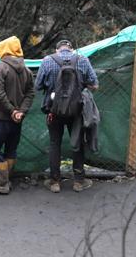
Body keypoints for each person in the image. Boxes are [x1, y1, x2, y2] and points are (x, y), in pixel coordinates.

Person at [35, 38, 99, 193]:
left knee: (54, 143)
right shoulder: (82, 60)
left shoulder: (47, 61)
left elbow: (37, 85)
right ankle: (78, 181)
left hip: (54, 110)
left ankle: (55, 182)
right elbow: (95, 85)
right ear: (71, 49)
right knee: (77, 142)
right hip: (76, 111)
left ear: (57, 50)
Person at [0, 36, 35, 195]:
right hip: (17, 120)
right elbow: (31, 93)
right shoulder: (26, 70)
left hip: (0, 118)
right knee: (11, 150)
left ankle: (1, 184)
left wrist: (11, 110)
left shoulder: (1, 67)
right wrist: (21, 112)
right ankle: (7, 180)